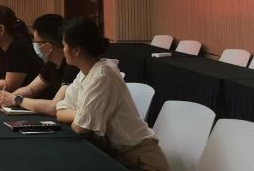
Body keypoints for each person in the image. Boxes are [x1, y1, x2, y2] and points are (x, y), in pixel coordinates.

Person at [55, 18, 170, 171]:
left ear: (76, 50)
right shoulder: (85, 72)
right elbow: (59, 111)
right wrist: (82, 114)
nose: (63, 50)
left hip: (142, 161)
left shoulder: (103, 75)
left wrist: (83, 116)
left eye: (64, 45)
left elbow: (80, 128)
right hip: (118, 155)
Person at [0, 13, 78, 112]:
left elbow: (54, 106)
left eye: (36, 42)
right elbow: (31, 89)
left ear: (48, 47)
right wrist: (5, 97)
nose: (34, 45)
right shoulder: (51, 63)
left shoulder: (72, 66)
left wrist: (16, 99)